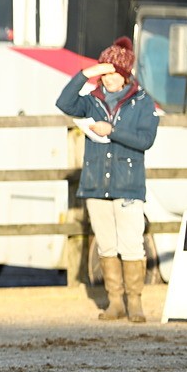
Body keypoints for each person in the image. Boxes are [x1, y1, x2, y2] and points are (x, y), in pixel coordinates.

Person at [56, 36, 160, 322]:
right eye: (104, 72)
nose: (108, 78)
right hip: (96, 184)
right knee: (106, 244)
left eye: (113, 73)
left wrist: (111, 131)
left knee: (131, 244)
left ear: (125, 75)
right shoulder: (92, 100)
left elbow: (146, 140)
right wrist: (85, 73)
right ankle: (115, 302)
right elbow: (64, 102)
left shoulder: (143, 102)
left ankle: (134, 302)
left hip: (128, 185)